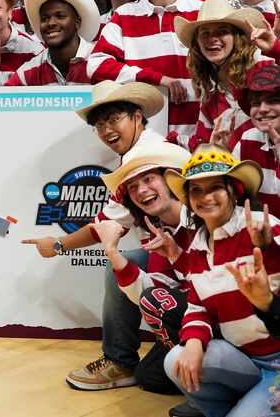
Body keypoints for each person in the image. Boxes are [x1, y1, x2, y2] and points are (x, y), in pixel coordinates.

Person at [23, 81, 167, 391]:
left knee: (159, 375)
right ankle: (129, 360)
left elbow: (105, 224)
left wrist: (58, 244)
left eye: (114, 118)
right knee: (125, 266)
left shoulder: (144, 157)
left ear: (138, 116)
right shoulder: (142, 149)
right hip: (177, 259)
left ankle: (122, 360)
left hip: (191, 268)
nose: (106, 129)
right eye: (99, 124)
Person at [163, 144, 280, 417]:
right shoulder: (197, 246)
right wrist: (193, 342)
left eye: (215, 187)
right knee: (175, 361)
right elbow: (197, 307)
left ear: (233, 190)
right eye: (196, 190)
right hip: (245, 360)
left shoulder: (263, 226)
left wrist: (269, 248)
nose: (205, 197)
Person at [92, 142, 201, 417]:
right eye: (132, 187)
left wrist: (177, 256)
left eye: (149, 178)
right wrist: (112, 251)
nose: (141, 190)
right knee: (150, 376)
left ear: (171, 179)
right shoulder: (159, 231)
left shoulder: (205, 213)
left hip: (232, 320)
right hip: (196, 318)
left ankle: (212, 395)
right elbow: (151, 297)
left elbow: (216, 287)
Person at [87, 0, 204, 146]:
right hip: (145, 143)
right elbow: (96, 66)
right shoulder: (124, 15)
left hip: (200, 140)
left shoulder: (203, 11)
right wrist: (156, 79)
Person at [174, 0, 272, 151]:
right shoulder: (210, 94)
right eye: (205, 33)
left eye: (222, 31)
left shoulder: (263, 67)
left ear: (237, 38)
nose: (213, 39)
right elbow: (204, 143)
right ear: (197, 44)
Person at [5, 0, 100, 86]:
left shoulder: (100, 60)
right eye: (44, 19)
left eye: (60, 16)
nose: (51, 23)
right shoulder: (30, 70)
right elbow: (4, 100)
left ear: (77, 22)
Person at [231, 64, 280, 217]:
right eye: (256, 103)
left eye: (272, 100)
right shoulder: (247, 139)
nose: (263, 109)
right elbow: (228, 196)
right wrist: (218, 151)